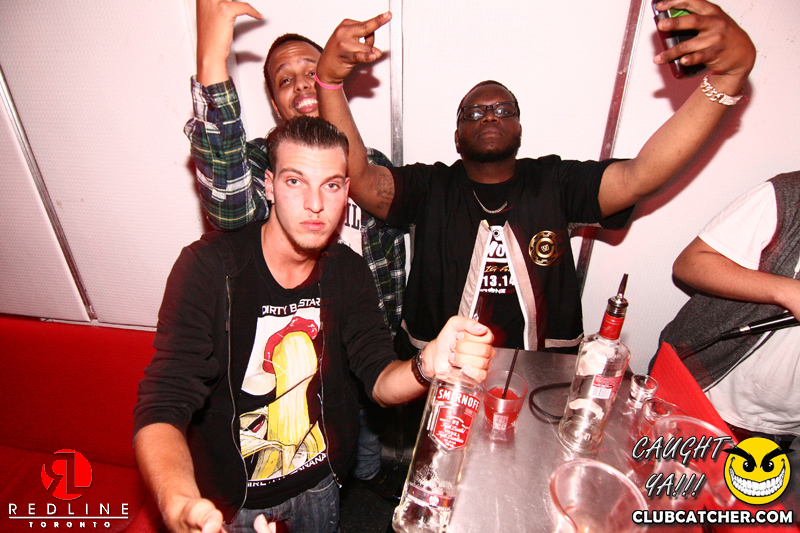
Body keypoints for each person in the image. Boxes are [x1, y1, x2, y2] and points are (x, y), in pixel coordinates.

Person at [313, 0, 756, 358]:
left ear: (520, 130)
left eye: (503, 110)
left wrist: (727, 78)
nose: (490, 116)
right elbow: (363, 180)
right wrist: (329, 83)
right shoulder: (431, 188)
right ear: (457, 136)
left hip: (537, 382)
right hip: (438, 375)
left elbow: (641, 175)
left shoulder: (555, 182)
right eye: (474, 112)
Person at [133, 116, 494, 533]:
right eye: (295, 181)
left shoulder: (348, 271)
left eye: (331, 185)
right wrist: (179, 504)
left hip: (321, 481)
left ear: (347, 191)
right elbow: (162, 406)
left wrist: (426, 365)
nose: (316, 204)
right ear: (269, 185)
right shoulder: (210, 269)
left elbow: (379, 380)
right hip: (232, 497)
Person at [184, 0, 407, 498]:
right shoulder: (261, 165)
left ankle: (368, 481)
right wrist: (212, 59)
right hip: (293, 358)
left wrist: (388, 335)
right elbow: (228, 201)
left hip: (361, 345)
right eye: (286, 80)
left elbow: (392, 264)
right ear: (274, 101)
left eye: (313, 70)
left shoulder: (371, 164)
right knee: (312, 453)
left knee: (364, 438)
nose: (303, 84)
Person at [656, 171, 800, 448]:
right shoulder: (789, 195)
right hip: (705, 397)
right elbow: (691, 263)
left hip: (788, 434)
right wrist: (788, 291)